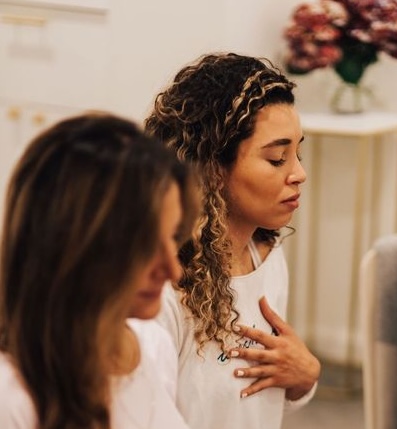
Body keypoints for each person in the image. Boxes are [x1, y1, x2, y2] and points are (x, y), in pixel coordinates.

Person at [144, 52, 321, 429]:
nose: (299, 174)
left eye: (298, 153)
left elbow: (251, 403)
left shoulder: (268, 257)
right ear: (213, 169)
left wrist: (303, 378)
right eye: (278, 159)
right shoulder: (162, 288)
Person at [0, 113, 200, 429]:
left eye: (174, 237)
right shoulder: (12, 397)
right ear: (74, 246)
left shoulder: (148, 345)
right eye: (145, 245)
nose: (173, 270)